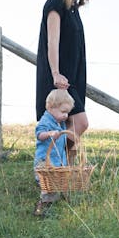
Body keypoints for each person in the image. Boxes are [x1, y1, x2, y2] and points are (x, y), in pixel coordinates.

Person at [36, 0, 105, 162]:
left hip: (72, 78)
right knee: (80, 123)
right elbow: (52, 41)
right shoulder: (55, 3)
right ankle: (48, 161)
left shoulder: (73, 8)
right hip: (59, 78)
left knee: (68, 126)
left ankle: (59, 170)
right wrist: (56, 73)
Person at [33, 89, 75, 217]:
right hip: (45, 160)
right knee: (48, 185)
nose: (65, 116)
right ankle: (41, 207)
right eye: (63, 112)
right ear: (51, 107)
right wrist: (50, 133)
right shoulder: (46, 121)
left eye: (67, 112)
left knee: (58, 182)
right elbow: (39, 134)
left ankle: (58, 201)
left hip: (57, 160)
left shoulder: (60, 122)